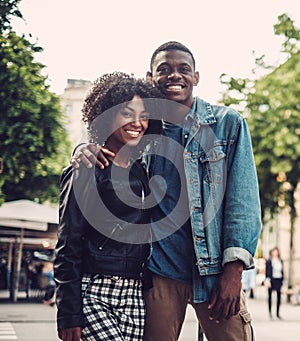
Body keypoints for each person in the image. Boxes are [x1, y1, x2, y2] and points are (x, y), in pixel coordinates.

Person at [71, 42, 262, 341]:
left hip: (214, 274)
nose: (175, 76)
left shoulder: (228, 124)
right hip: (160, 272)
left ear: (196, 77)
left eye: (183, 69)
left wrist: (234, 272)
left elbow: (244, 202)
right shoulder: (145, 129)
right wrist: (84, 148)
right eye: (164, 70)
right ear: (150, 77)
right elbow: (110, 146)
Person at [54, 72, 163, 341]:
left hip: (134, 294)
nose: (138, 123)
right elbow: (68, 242)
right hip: (94, 292)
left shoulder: (141, 171)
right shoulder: (86, 168)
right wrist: (68, 312)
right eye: (127, 113)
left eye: (144, 115)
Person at [265, 246, 284, 319]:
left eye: (276, 251)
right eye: (274, 251)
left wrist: (283, 282)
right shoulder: (269, 261)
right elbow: (267, 271)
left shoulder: (280, 261)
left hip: (278, 280)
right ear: (272, 252)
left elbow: (282, 272)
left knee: (279, 297)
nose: (275, 253)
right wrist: (267, 281)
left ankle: (277, 314)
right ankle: (270, 313)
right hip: (271, 280)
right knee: (270, 297)